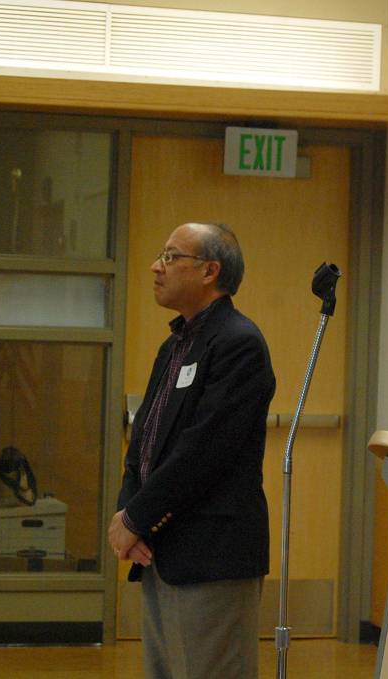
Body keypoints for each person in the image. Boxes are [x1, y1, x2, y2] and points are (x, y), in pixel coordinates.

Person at [108, 222, 275, 679]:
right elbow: (145, 439)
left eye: (170, 256)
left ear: (209, 271)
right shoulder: (175, 344)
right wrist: (128, 512)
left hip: (211, 553)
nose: (155, 267)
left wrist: (136, 518)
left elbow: (203, 451)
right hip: (161, 549)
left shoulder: (239, 344)